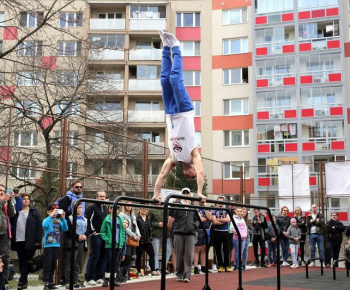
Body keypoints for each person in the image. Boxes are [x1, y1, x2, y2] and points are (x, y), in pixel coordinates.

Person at [152, 31, 206, 204]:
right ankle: (176, 46)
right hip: (184, 110)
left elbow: (162, 174)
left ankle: (166, 47)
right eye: (192, 177)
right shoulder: (194, 155)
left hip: (170, 112)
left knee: (165, 80)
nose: (188, 178)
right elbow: (201, 173)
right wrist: (199, 192)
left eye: (190, 180)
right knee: (175, 79)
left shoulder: (173, 159)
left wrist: (155, 193)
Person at [10, 193, 42, 290]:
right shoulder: (16, 211)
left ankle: (21, 281)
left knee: (26, 261)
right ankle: (24, 282)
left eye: (28, 199)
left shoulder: (34, 211)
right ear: (20, 200)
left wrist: (38, 240)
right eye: (24, 199)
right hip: (19, 240)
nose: (26, 200)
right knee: (21, 261)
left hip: (31, 241)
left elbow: (39, 226)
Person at [168, 188, 198, 283]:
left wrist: (194, 226)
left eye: (187, 193)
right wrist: (174, 201)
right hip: (178, 232)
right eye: (184, 193)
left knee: (188, 255)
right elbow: (170, 213)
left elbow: (197, 220)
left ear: (190, 194)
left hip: (190, 233)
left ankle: (187, 275)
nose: (185, 194)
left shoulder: (193, 206)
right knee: (179, 254)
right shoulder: (177, 204)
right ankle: (179, 273)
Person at [59, 180, 85, 286]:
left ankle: (75, 278)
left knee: (78, 257)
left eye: (80, 187)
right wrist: (73, 212)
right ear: (72, 188)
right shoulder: (67, 198)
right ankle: (64, 278)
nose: (79, 189)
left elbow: (84, 211)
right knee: (67, 255)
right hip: (68, 224)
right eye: (76, 187)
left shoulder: (82, 199)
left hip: (80, 226)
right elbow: (61, 210)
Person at [85, 191, 109, 285]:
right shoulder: (92, 208)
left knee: (103, 256)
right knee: (95, 255)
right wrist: (92, 232)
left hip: (104, 236)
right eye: (100, 196)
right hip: (96, 235)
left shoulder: (106, 209)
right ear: (96, 197)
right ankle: (90, 277)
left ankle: (99, 276)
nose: (102, 198)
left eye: (104, 196)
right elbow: (88, 220)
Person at [42, 204, 68, 290]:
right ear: (48, 211)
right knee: (47, 264)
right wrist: (50, 216)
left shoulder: (58, 220)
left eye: (56, 210)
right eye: (53, 210)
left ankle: (50, 281)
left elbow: (65, 228)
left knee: (53, 264)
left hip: (56, 244)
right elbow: (44, 225)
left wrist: (63, 218)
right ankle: (46, 282)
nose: (55, 212)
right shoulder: (47, 220)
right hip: (48, 245)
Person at [100, 205, 126, 287]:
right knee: (109, 261)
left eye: (117, 209)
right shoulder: (107, 220)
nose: (115, 210)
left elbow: (122, 232)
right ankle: (106, 279)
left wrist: (121, 242)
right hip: (110, 245)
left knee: (115, 262)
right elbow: (102, 232)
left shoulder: (120, 219)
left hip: (118, 245)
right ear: (110, 209)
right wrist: (108, 240)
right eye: (113, 208)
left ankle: (113, 279)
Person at [65, 204, 87, 289]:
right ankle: (68, 281)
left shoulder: (84, 219)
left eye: (80, 207)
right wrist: (77, 236)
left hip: (82, 242)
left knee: (78, 262)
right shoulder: (70, 218)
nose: (79, 209)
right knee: (71, 262)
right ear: (72, 208)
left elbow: (88, 229)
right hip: (73, 243)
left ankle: (75, 279)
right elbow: (68, 231)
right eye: (77, 208)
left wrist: (85, 235)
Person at [147, 203, 172, 274]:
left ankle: (163, 267)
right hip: (156, 234)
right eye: (159, 198)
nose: (160, 200)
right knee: (155, 251)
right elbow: (148, 222)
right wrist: (157, 224)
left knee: (168, 250)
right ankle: (156, 268)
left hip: (165, 233)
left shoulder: (165, 209)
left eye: (161, 198)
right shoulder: (151, 210)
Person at [120, 202, 141, 280]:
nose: (129, 206)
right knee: (126, 256)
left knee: (132, 257)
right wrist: (133, 235)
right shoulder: (122, 215)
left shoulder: (133, 216)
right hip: (126, 238)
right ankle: (121, 274)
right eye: (127, 205)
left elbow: (136, 227)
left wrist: (138, 235)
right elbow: (125, 228)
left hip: (133, 239)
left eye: (130, 205)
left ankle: (127, 274)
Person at [211, 196, 231, 272]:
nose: (220, 204)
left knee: (226, 249)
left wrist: (218, 219)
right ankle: (220, 265)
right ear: (217, 202)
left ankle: (227, 265)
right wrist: (223, 221)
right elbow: (214, 221)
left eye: (222, 202)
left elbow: (228, 220)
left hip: (225, 231)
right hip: (217, 231)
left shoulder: (227, 210)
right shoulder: (214, 210)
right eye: (219, 202)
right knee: (218, 250)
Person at [0, 185, 15, 285]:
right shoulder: (2, 202)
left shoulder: (4, 203)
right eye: (0, 190)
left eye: (4, 191)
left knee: (5, 261)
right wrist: (3, 201)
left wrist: (9, 200)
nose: (2, 192)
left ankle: (3, 285)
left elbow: (12, 214)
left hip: (4, 236)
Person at [135, 206, 157, 276]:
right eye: (143, 208)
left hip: (147, 240)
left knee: (152, 254)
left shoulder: (148, 218)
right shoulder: (137, 218)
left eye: (146, 209)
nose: (144, 210)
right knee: (138, 256)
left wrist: (150, 236)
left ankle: (153, 269)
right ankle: (138, 271)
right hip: (140, 240)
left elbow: (151, 227)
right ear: (140, 209)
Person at [193, 206, 211, 274]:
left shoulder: (206, 208)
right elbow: (198, 219)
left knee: (205, 249)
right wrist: (205, 218)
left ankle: (203, 267)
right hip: (198, 229)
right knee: (197, 249)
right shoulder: (195, 208)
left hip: (207, 229)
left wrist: (205, 218)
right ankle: (195, 267)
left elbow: (210, 218)